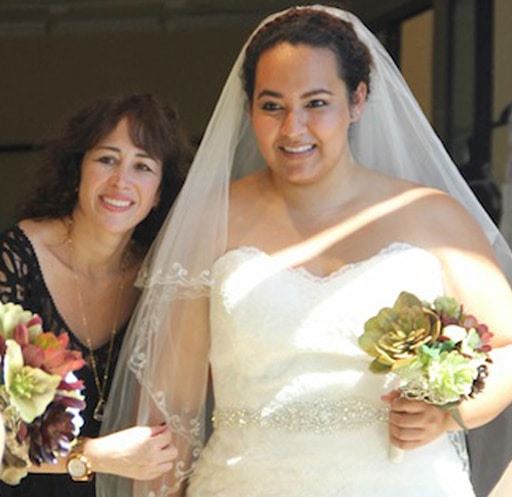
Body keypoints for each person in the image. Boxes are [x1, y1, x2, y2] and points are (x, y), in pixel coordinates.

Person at [98, 6, 512, 497]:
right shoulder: (212, 220)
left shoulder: (431, 215)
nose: (293, 129)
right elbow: (172, 410)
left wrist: (447, 413)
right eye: (272, 106)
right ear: (249, 107)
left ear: (357, 100)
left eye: (316, 103)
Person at [0, 93, 191, 497]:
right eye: (107, 159)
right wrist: (96, 456)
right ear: (78, 170)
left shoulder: (160, 282)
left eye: (142, 166)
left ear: (159, 193)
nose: (122, 181)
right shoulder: (15, 260)